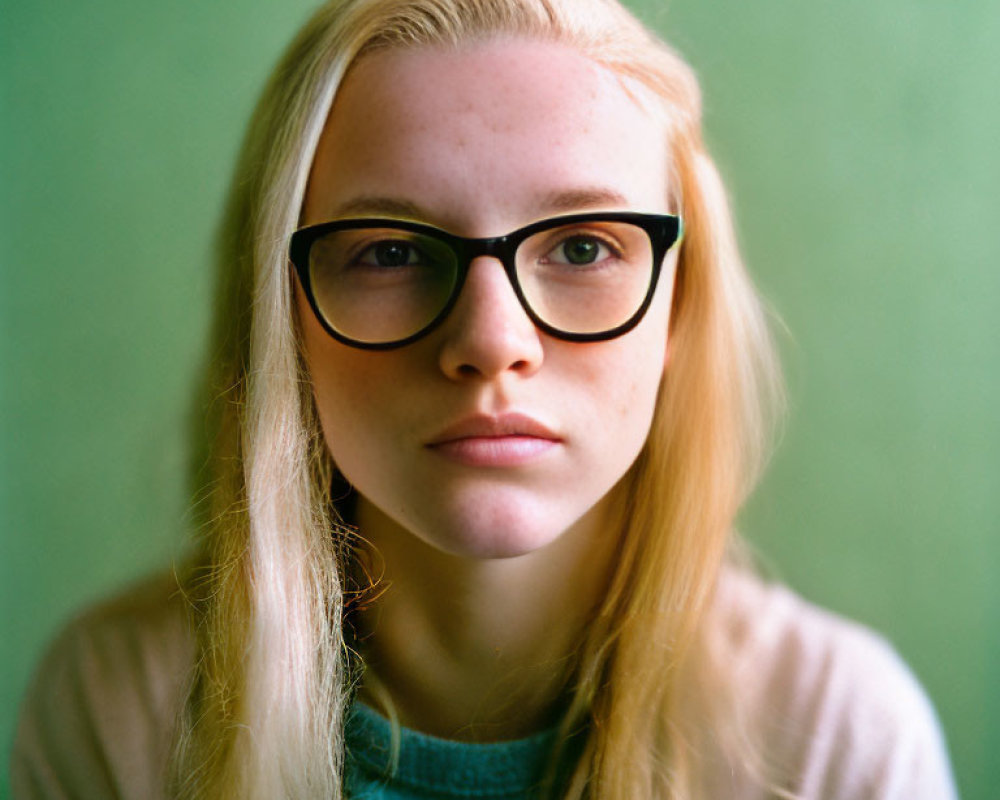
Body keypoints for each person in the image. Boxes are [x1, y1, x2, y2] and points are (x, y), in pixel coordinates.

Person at [11, 0, 959, 798]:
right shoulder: (123, 711)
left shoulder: (834, 743)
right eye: (388, 251)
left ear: (680, 306)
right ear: (282, 313)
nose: (490, 343)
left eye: (584, 247)